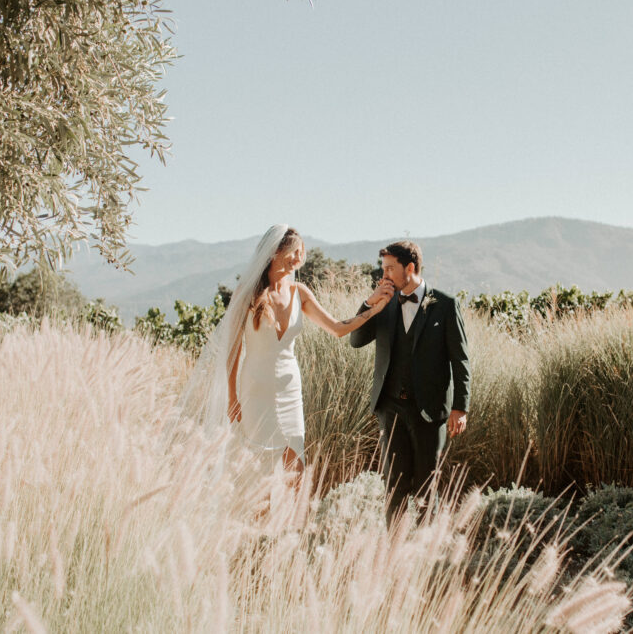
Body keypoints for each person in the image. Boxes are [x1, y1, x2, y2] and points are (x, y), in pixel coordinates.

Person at [174, 224, 391, 474]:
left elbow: (337, 328)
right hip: (255, 392)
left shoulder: (299, 293)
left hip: (290, 390)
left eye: (301, 253)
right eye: (293, 252)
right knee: (257, 471)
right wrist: (232, 395)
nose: (298, 259)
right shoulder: (247, 295)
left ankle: (293, 514)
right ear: (274, 251)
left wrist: (373, 310)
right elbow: (233, 349)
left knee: (296, 471)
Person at [349, 240, 471, 525]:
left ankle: (425, 556)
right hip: (390, 409)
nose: (385, 274)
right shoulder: (384, 304)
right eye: (384, 268)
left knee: (428, 487)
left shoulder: (445, 306)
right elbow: (356, 340)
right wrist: (370, 303)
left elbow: (460, 360)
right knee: (395, 486)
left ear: (411, 267)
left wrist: (460, 407)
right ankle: (393, 553)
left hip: (429, 410)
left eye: (390, 268)